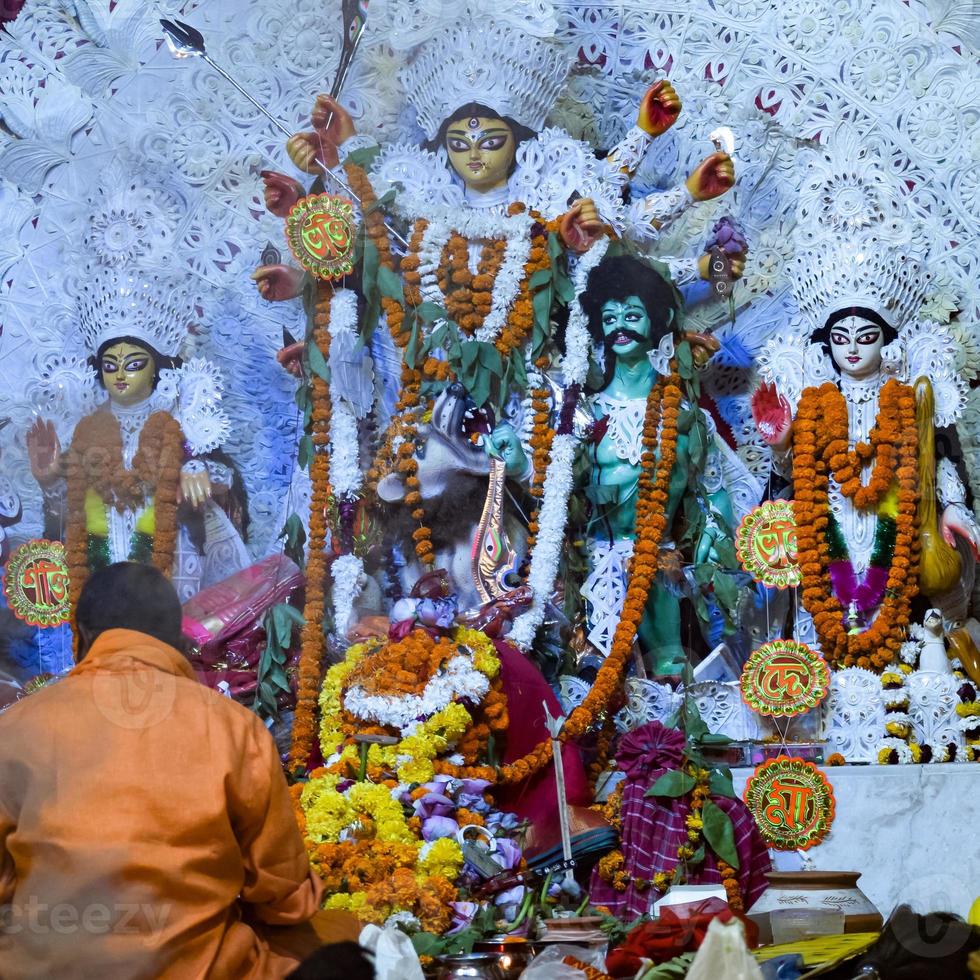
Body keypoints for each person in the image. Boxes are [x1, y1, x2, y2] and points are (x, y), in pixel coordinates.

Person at [0, 562, 356, 978]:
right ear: (176, 640)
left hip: (39, 968)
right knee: (344, 938)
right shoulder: (232, 726)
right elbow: (287, 899)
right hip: (199, 969)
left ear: (83, 635)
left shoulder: (14, 727)